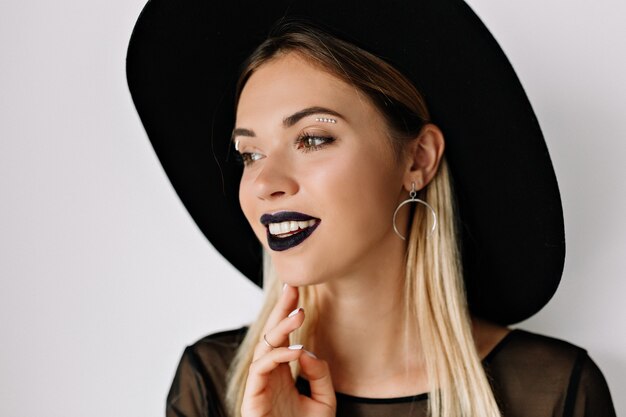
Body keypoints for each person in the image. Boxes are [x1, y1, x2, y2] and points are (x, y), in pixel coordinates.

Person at [126, 1, 616, 416]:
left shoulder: (553, 393)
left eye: (313, 139)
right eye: (249, 154)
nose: (264, 184)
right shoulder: (212, 384)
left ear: (418, 159)